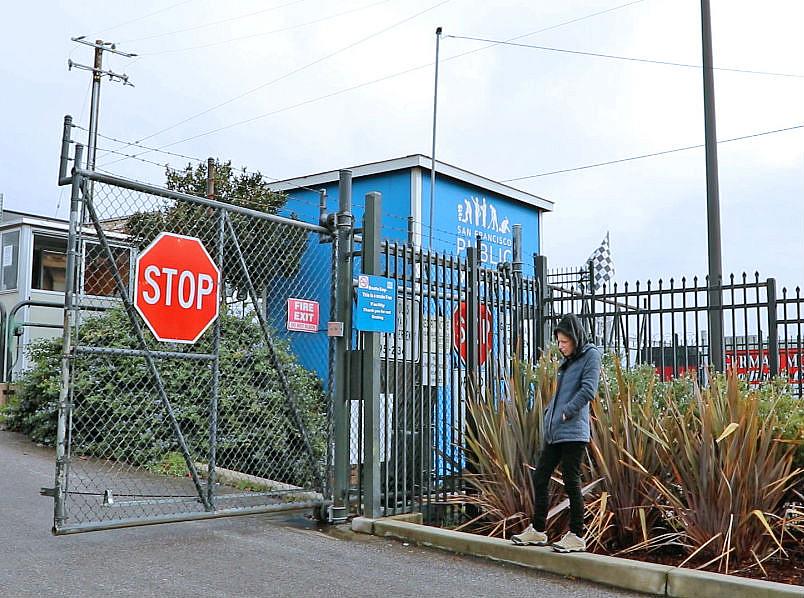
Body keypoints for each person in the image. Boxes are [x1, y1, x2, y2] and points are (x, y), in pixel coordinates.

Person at [511, 313, 602, 553]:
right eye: (559, 342)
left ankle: (576, 535)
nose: (560, 347)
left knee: (572, 482)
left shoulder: (591, 355)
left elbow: (588, 391)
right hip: (556, 432)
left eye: (564, 342)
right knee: (540, 477)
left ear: (575, 337)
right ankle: (538, 531)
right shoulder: (568, 361)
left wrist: (566, 413)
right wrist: (550, 415)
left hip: (573, 432)